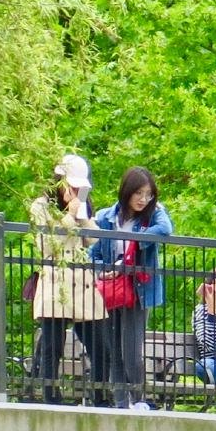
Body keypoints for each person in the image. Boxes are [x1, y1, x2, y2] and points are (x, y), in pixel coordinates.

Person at [92, 166, 174, 408]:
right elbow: (93, 253)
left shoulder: (153, 216)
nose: (143, 199)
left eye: (148, 194)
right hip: (110, 288)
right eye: (138, 193)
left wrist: (137, 238)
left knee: (131, 350)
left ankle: (138, 400)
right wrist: (102, 269)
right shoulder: (106, 217)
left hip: (138, 291)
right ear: (127, 191)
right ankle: (120, 402)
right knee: (114, 350)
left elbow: (166, 229)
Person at [27, 155, 104, 399]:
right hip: (55, 282)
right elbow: (46, 247)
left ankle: (101, 395)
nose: (74, 190)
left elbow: (94, 240)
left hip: (82, 283)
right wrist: (69, 217)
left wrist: (83, 216)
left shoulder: (82, 205)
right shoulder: (41, 206)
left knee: (101, 346)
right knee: (52, 346)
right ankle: (51, 395)